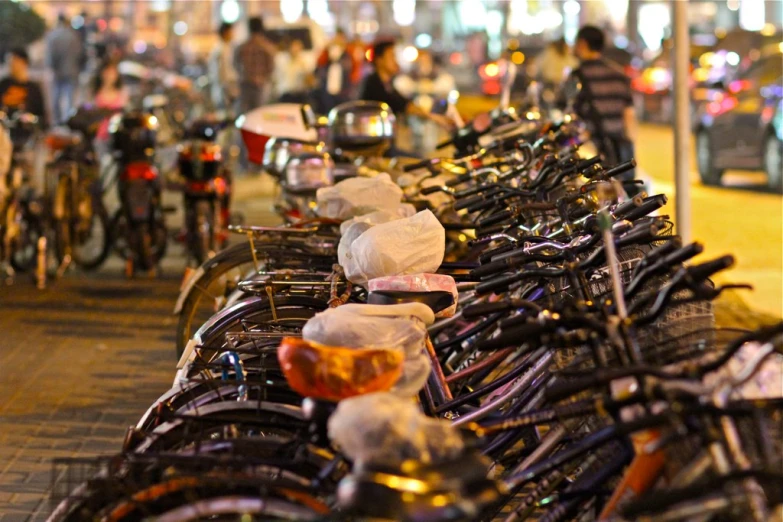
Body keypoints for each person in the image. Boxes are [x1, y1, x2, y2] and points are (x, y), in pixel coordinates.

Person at [570, 25, 638, 194]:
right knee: (625, 196)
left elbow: (568, 113)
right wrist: (629, 143)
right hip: (620, 147)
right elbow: (628, 113)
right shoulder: (618, 73)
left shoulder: (578, 76)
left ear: (582, 44)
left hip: (593, 149)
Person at [360, 40, 454, 129]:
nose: (395, 61)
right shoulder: (374, 83)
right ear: (379, 60)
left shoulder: (388, 83)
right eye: (392, 56)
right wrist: (435, 118)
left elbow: (404, 102)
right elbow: (402, 105)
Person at [394, 50, 456, 153]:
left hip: (434, 118)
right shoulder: (408, 79)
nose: (423, 64)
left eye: (426, 61)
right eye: (420, 61)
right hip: (414, 119)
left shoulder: (441, 78)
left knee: (432, 145)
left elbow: (448, 92)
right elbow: (401, 89)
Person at [234, 16, 276, 116]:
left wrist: (244, 74)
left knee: (245, 115)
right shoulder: (267, 47)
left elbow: (235, 64)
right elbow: (271, 67)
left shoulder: (242, 46)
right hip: (261, 85)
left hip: (245, 84)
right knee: (259, 114)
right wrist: (263, 77)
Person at [46, 14, 82, 124]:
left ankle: (57, 120)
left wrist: (52, 67)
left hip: (58, 72)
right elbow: (79, 53)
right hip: (72, 70)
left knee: (56, 97)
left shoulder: (53, 35)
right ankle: (68, 120)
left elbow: (51, 55)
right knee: (70, 98)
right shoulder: (74, 35)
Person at [0, 48, 48, 129]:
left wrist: (29, 118)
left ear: (23, 62)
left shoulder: (33, 88)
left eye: (13, 61)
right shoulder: (4, 84)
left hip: (25, 128)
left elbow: (41, 116)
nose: (10, 65)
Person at [315, 29, 354, 112]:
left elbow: (353, 71)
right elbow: (319, 66)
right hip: (327, 91)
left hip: (343, 92)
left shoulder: (348, 54)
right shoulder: (326, 54)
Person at [209, 22, 238, 115]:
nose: (233, 34)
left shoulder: (227, 48)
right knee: (225, 117)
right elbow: (219, 74)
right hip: (224, 90)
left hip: (229, 89)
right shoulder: (220, 50)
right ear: (226, 32)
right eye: (231, 31)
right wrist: (225, 89)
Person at [275, 39, 313, 103]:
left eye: (298, 48)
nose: (296, 50)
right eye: (294, 47)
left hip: (299, 94)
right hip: (285, 93)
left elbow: (309, 80)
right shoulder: (281, 60)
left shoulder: (304, 62)